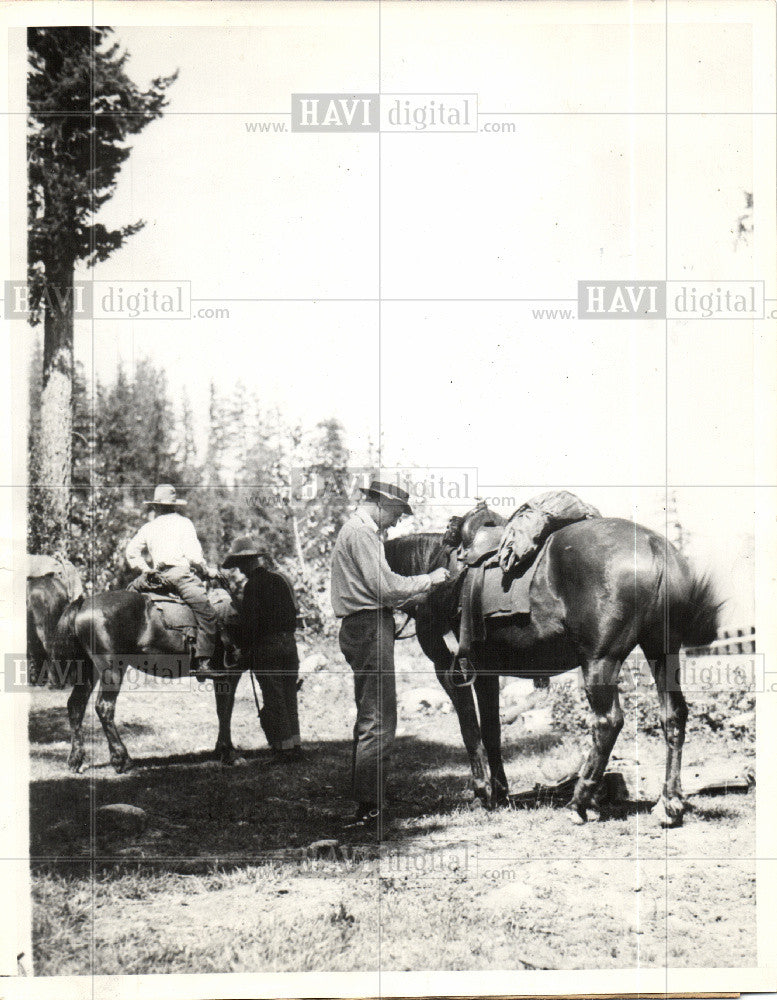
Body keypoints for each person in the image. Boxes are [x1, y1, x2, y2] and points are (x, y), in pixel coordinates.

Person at [330, 480, 450, 833]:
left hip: (363, 625)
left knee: (370, 714)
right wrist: (431, 579)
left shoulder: (357, 532)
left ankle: (369, 800)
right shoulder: (363, 534)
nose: (397, 522)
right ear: (381, 504)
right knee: (379, 719)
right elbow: (387, 588)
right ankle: (371, 809)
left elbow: (381, 592)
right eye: (398, 513)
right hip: (369, 627)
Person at [125, 484, 218, 680]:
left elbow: (131, 552)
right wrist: (206, 569)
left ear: (156, 506)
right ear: (174, 506)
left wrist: (146, 569)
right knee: (207, 613)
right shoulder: (184, 524)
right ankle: (203, 661)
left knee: (127, 596)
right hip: (179, 576)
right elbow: (194, 557)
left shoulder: (149, 527)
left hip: (154, 578)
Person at [223, 536, 302, 762]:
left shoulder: (252, 586)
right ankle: (295, 744)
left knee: (274, 697)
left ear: (247, 562)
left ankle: (283, 750)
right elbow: (293, 611)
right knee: (289, 696)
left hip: (267, 648)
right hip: (289, 644)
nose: (240, 570)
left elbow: (251, 625)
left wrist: (243, 648)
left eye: (240, 566)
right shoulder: (282, 579)